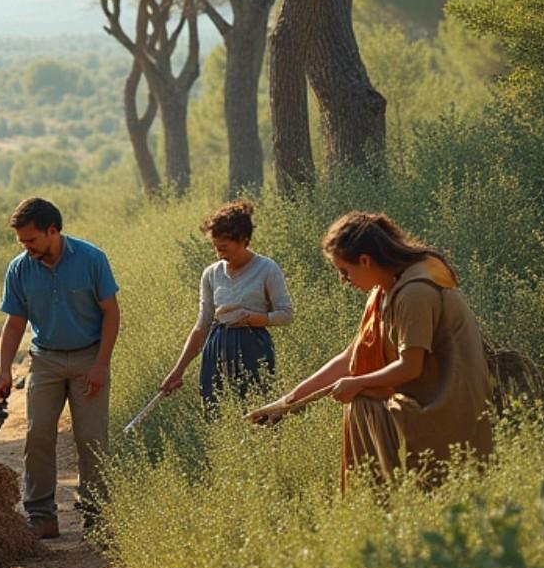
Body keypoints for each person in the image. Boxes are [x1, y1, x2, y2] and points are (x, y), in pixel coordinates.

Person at [249, 212, 493, 491]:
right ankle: (382, 504)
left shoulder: (415, 292)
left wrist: (359, 383)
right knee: (361, 398)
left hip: (449, 408)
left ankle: (385, 502)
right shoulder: (384, 291)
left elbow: (410, 367)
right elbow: (349, 359)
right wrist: (287, 403)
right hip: (419, 400)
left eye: (345, 271)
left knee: (362, 403)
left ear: (365, 260)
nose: (344, 281)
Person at [0, 197, 120, 540]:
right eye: (21, 242)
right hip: (44, 360)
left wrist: (101, 364)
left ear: (53, 231)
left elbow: (111, 312)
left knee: (91, 439)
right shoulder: (19, 268)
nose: (27, 247)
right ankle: (41, 516)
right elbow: (15, 323)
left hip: (88, 359)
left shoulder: (91, 259)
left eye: (31, 240)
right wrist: (5, 370)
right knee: (37, 436)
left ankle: (96, 517)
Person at [159, 200, 292, 406]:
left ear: (244, 240)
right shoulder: (211, 274)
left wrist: (255, 319)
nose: (220, 254)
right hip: (217, 350)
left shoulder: (267, 268)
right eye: (216, 248)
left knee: (258, 411)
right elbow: (202, 325)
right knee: (217, 412)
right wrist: (177, 371)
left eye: (224, 247)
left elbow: (285, 314)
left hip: (253, 349)